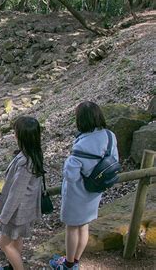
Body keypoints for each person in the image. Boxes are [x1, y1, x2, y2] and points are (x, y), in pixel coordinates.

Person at [50, 101, 118, 270]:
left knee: (72, 228)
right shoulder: (109, 136)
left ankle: (68, 264)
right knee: (84, 225)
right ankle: (76, 260)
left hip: (78, 193)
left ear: (81, 120)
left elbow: (71, 176)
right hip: (95, 189)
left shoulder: (81, 145)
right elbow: (114, 160)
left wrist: (69, 162)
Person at [0, 116, 44, 270]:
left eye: (15, 132)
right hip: (24, 209)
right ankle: (12, 266)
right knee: (16, 239)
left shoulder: (25, 162)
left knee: (4, 244)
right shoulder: (34, 153)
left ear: (21, 136)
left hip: (17, 211)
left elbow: (16, 193)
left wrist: (5, 216)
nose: (14, 134)